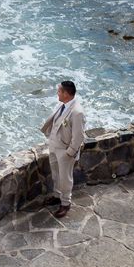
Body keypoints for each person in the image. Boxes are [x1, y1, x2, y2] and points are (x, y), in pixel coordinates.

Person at [40, 81, 86, 218]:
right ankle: (57, 195)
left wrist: (69, 153)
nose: (57, 93)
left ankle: (65, 203)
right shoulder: (61, 104)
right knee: (55, 174)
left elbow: (79, 136)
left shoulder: (77, 112)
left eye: (59, 91)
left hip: (65, 151)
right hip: (54, 146)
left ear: (66, 94)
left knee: (65, 178)